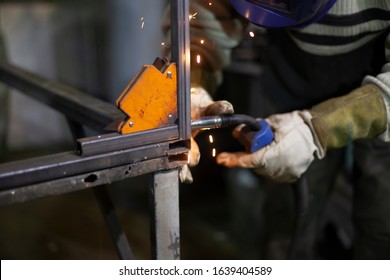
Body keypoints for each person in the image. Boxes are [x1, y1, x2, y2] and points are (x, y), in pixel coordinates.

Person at [163, 0, 390, 259]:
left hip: (380, 83)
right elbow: (202, 15)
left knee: (382, 225)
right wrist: (194, 84)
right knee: (288, 225)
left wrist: (318, 129)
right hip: (291, 77)